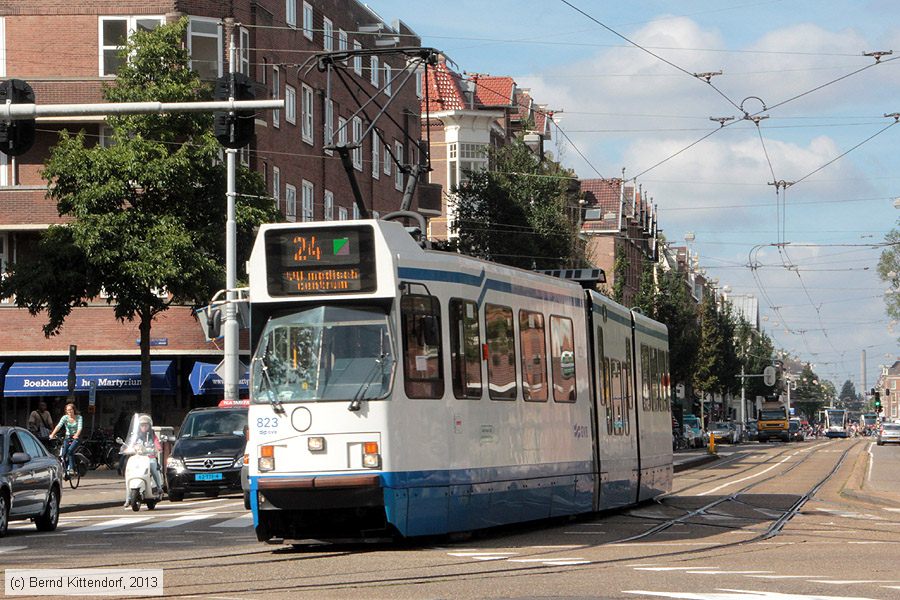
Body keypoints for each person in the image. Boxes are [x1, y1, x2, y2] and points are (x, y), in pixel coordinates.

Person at [123, 414, 163, 508]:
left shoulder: (152, 434)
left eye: (146, 425)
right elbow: (131, 443)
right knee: (129, 470)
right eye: (142, 425)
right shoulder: (136, 435)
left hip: (150, 457)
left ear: (149, 426)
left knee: (153, 466)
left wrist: (158, 447)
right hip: (138, 457)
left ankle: (159, 487)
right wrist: (126, 448)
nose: (144, 427)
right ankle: (128, 497)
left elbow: (156, 442)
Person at [49, 402, 83, 476]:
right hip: (67, 437)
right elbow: (59, 426)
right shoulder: (65, 418)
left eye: (71, 410)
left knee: (70, 451)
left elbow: (80, 427)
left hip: (76, 437)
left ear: (74, 410)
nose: (69, 411)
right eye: (68, 410)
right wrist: (52, 434)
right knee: (63, 454)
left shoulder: (79, 417)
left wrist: (76, 434)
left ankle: (71, 469)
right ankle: (65, 471)